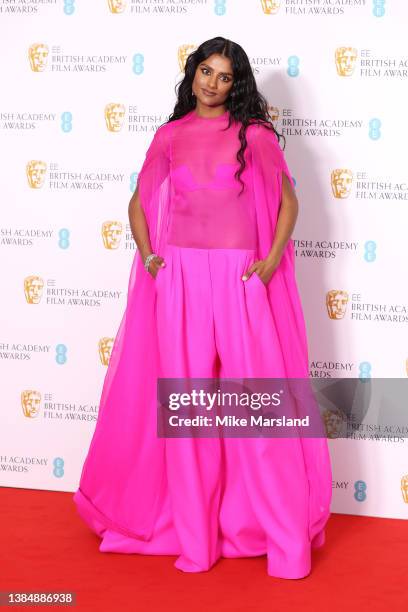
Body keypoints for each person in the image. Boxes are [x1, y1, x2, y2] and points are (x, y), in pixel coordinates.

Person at [73, 36, 332, 579]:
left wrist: (269, 261)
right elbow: (139, 199)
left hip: (241, 279)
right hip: (181, 280)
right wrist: (149, 254)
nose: (213, 84)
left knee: (258, 408)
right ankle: (195, 544)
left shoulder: (255, 136)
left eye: (225, 77)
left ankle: (287, 547)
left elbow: (288, 202)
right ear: (192, 74)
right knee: (187, 411)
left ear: (236, 84)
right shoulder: (169, 136)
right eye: (206, 72)